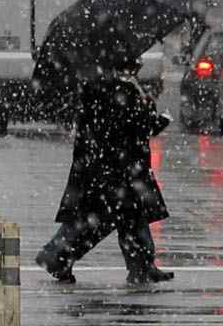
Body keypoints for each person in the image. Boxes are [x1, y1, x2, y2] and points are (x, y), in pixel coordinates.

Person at [39, 56, 172, 285]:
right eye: (135, 63)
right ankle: (57, 256)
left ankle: (142, 265)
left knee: (126, 215)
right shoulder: (121, 91)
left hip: (103, 165)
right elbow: (138, 126)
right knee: (103, 217)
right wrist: (157, 116)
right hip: (119, 167)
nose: (137, 67)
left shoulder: (95, 87)